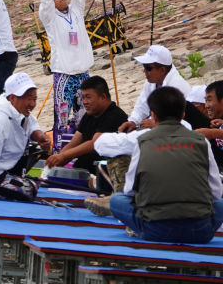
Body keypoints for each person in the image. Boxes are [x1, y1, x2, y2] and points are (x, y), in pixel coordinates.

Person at [107, 87, 223, 243]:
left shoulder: (143, 142)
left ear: (153, 115)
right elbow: (216, 192)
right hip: (199, 231)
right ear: (183, 115)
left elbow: (130, 190)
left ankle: (138, 229)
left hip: (155, 230)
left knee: (117, 200)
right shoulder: (201, 141)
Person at [38, 0, 93, 151]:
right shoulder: (49, 17)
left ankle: (82, 152)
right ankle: (60, 153)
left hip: (83, 74)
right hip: (64, 74)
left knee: (84, 119)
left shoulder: (76, 11)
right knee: (61, 120)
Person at [45, 76, 127, 176]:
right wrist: (57, 159)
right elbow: (74, 143)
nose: (84, 102)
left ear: (103, 97)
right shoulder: (89, 115)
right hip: (82, 173)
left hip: (103, 174)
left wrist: (63, 156)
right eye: (83, 97)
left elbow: (94, 144)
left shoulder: (115, 115)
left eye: (88, 97)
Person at [118, 44, 192, 132]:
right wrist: (133, 121)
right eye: (144, 66)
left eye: (148, 68)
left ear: (162, 70)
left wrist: (156, 124)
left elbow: (178, 122)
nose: (144, 71)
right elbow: (142, 104)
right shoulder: (152, 81)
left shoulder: (176, 87)